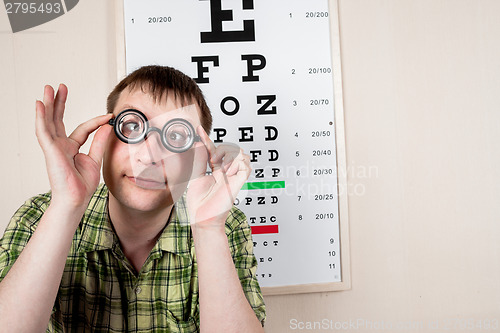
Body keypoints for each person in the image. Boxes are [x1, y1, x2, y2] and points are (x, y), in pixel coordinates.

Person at [0, 65, 266, 332]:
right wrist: (66, 206)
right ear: (104, 132)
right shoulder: (39, 215)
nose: (149, 157)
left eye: (175, 136)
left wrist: (208, 228)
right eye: (131, 127)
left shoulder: (226, 225)